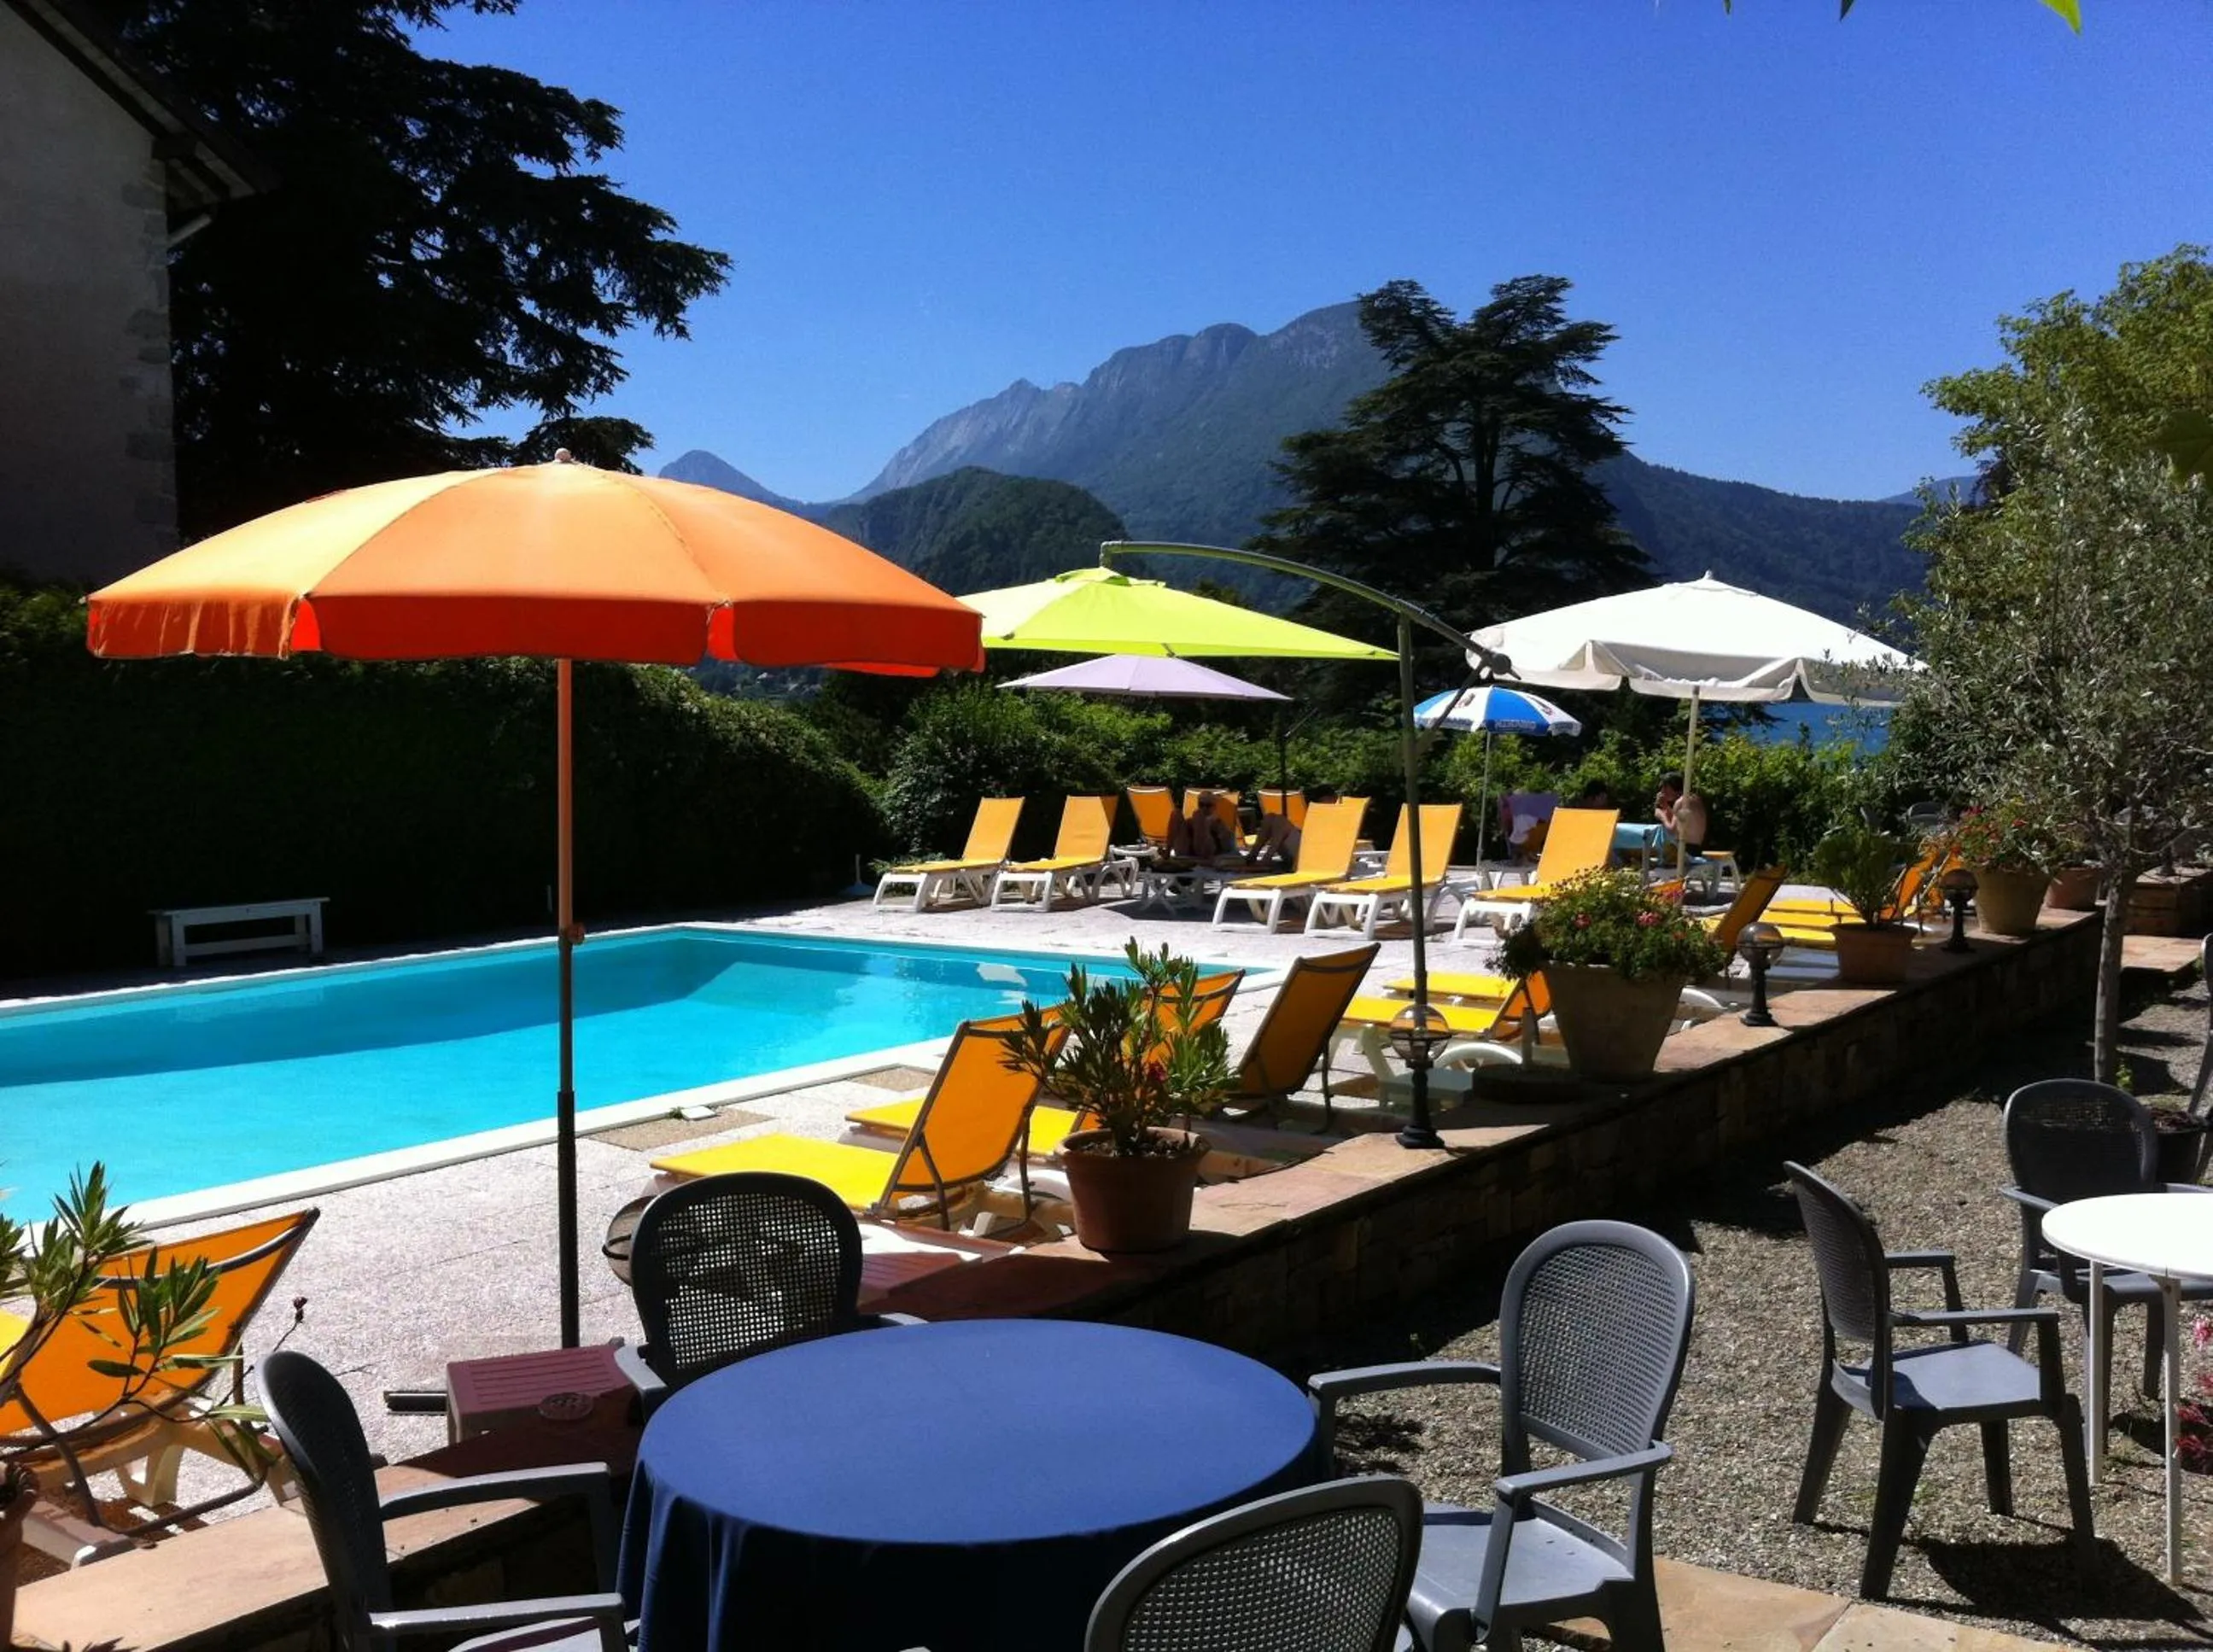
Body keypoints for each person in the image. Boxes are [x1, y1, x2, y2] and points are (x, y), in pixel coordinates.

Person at [1655, 771, 1708, 852]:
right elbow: (1680, 819)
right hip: (1696, 848)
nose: (1662, 791)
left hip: (1685, 850)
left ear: (1674, 787)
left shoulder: (1680, 802)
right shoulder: (1695, 799)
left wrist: (1661, 816)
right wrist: (1665, 806)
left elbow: (1672, 830)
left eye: (1665, 787)